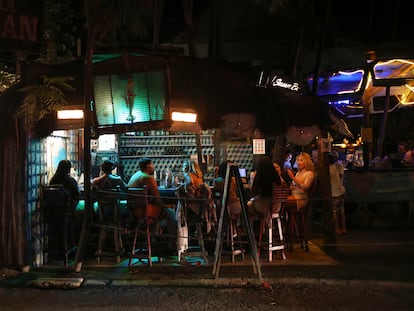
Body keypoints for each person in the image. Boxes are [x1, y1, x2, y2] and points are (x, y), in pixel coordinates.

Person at [127, 157, 177, 251]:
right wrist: (164, 208)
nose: (153, 167)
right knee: (172, 214)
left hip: (133, 211)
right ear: (148, 166)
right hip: (144, 212)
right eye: (152, 165)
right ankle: (172, 244)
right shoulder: (148, 178)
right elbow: (157, 199)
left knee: (161, 212)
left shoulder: (135, 175)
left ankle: (153, 239)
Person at [247, 156, 281, 220]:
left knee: (248, 206)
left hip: (261, 206)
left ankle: (254, 226)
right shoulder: (276, 176)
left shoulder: (259, 176)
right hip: (275, 207)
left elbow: (254, 192)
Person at [328, 152, 347, 235]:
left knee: (334, 211)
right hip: (341, 190)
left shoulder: (329, 168)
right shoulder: (336, 166)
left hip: (334, 192)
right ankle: (343, 228)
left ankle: (337, 229)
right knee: (341, 211)